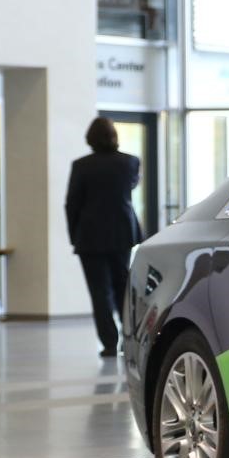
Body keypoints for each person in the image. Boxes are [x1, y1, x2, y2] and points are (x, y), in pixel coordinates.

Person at [65, 117, 143, 357]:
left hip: (90, 236)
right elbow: (130, 188)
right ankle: (129, 337)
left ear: (90, 139)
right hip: (122, 232)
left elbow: (72, 203)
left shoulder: (81, 166)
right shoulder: (130, 162)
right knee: (123, 287)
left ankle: (109, 342)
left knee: (99, 292)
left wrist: (74, 235)